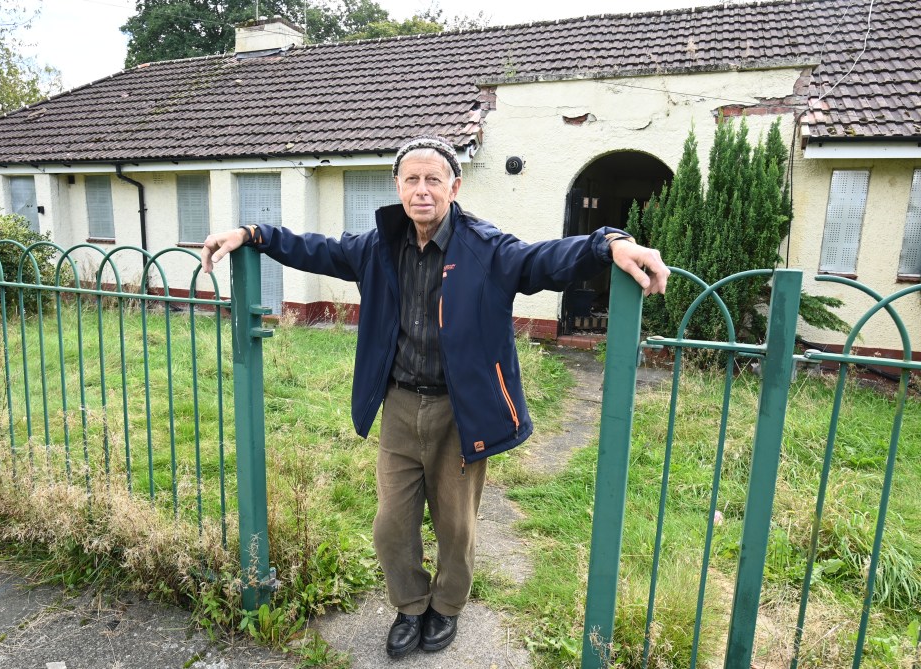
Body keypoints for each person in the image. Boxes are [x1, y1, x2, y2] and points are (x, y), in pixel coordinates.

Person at [201, 136, 669, 658]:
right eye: (412, 179)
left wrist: (610, 242)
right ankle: (410, 605)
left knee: (456, 525)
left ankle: (446, 607)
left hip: (460, 410)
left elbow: (546, 260)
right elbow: (317, 248)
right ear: (397, 186)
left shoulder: (486, 248)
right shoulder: (379, 247)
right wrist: (252, 233)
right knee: (390, 526)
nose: (422, 190)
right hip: (400, 405)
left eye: (433, 180)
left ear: (454, 186)